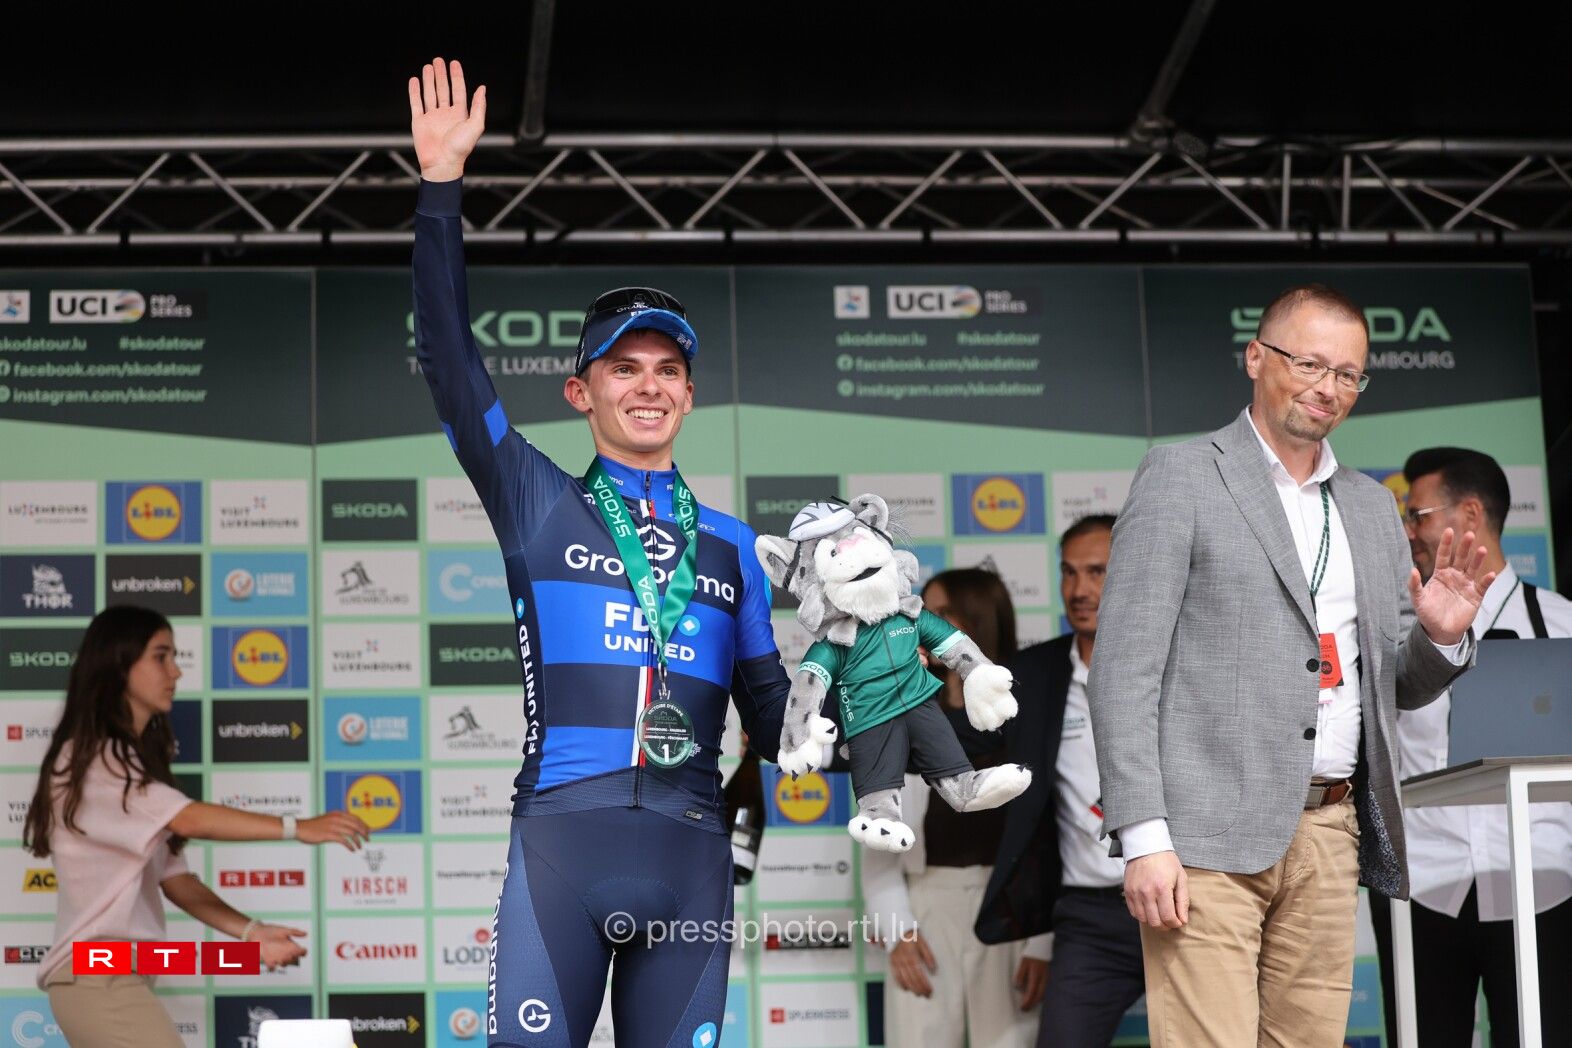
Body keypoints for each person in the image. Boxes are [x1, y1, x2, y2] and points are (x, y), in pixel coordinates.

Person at [408, 57, 794, 1047]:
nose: (649, 385)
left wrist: (873, 681)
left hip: (692, 856)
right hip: (561, 848)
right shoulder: (538, 501)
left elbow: (779, 725)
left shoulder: (733, 546)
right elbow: (448, 361)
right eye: (623, 367)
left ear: (690, 395)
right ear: (581, 392)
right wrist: (441, 188)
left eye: (668, 369)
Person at [1088, 283, 1496, 1047]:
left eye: (1347, 374)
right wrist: (1143, 836)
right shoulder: (1182, 475)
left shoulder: (1370, 506)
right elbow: (1123, 671)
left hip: (1330, 833)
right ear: (1255, 358)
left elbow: (1396, 685)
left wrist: (1440, 638)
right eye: (1309, 364)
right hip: (1203, 838)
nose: (1327, 388)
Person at [22, 605, 371, 1048]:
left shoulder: (124, 764)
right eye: (160, 656)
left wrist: (251, 934)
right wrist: (297, 827)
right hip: (97, 974)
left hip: (113, 972)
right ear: (119, 664)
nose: (176, 671)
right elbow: (190, 818)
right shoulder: (97, 759)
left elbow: (178, 882)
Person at [1368, 447, 1572, 1048]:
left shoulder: (1562, 624)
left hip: (1545, 885)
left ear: (1472, 514)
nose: (1409, 531)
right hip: (1422, 886)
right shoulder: (1391, 633)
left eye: (1419, 515)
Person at [977, 514, 1146, 1048]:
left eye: (1096, 572)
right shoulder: (1033, 673)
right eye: (1069, 573)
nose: (1079, 590)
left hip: (1184, 901)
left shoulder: (1178, 661)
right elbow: (958, 741)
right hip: (1088, 917)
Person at [861, 566, 1041, 1048]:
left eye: (942, 613)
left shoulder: (1025, 716)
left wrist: (1043, 943)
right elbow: (879, 831)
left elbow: (1046, 831)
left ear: (979, 620)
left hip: (1010, 906)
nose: (924, 624)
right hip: (926, 906)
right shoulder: (904, 712)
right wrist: (897, 929)